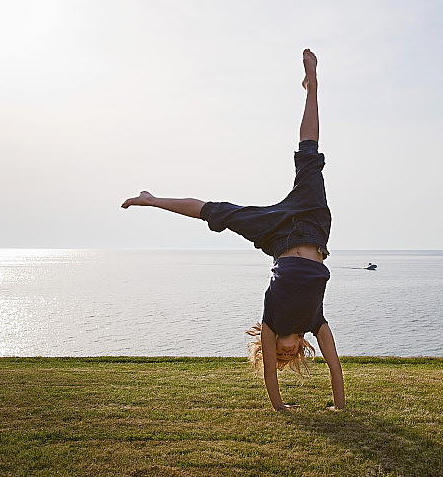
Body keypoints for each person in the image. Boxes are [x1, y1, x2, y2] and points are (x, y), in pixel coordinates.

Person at [121, 49, 345, 412]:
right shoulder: (315, 322)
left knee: (218, 213)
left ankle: (152, 199)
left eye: (278, 354)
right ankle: (313, 86)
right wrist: (339, 407)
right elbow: (334, 366)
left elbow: (268, 373)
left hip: (276, 234)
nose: (283, 354)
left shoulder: (271, 322)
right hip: (314, 226)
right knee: (310, 156)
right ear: (299, 350)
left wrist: (279, 406)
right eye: (288, 356)